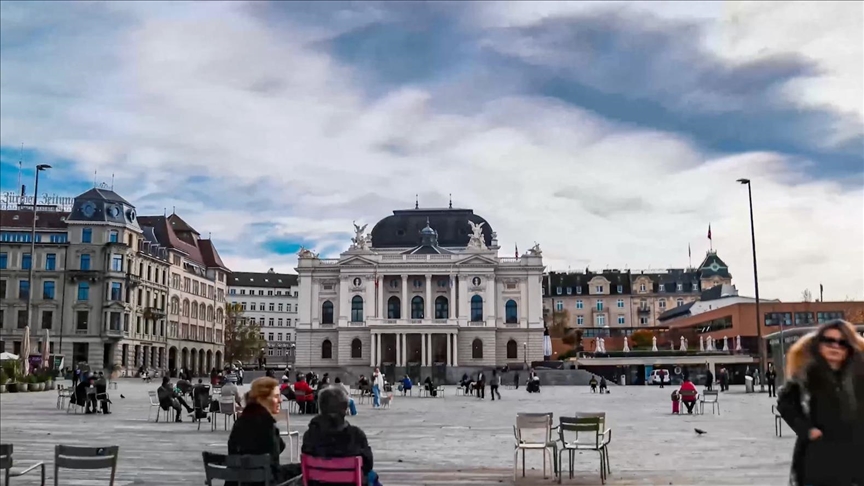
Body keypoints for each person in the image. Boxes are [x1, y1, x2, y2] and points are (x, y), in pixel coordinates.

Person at [776, 320, 864, 486]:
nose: (835, 346)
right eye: (829, 340)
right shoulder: (806, 374)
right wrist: (807, 430)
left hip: (857, 462)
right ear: (819, 343)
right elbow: (785, 403)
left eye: (842, 342)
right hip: (819, 462)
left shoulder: (860, 374)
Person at [227, 377, 301, 485]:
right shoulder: (267, 424)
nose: (280, 400)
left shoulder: (240, 422)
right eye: (276, 396)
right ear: (262, 399)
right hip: (264, 481)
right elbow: (275, 455)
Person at [302, 386, 378, 486]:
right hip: (349, 483)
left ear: (320, 407)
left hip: (319, 483)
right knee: (372, 477)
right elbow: (368, 464)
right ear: (345, 408)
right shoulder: (356, 435)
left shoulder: (310, 435)